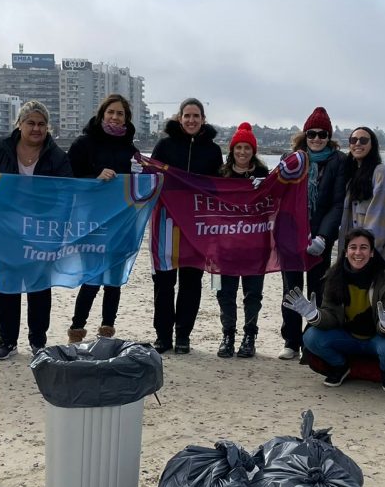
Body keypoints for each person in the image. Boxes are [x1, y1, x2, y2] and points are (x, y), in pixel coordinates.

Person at [0, 100, 73, 359]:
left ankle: (37, 341)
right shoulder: (1, 149)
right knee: (7, 284)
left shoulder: (56, 155)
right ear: (19, 124)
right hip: (5, 230)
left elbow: (67, 194)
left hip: (41, 230)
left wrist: (58, 228)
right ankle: (7, 341)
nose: (36, 128)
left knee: (39, 286)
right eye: (30, 122)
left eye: (42, 124)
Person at [284, 228, 385, 392]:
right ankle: (340, 366)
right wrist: (314, 315)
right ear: (345, 252)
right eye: (353, 247)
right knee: (311, 337)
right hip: (347, 338)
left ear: (372, 253)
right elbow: (331, 317)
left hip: (378, 339)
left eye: (364, 247)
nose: (358, 252)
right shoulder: (334, 278)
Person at [149, 97, 222, 353]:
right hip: (166, 224)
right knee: (164, 282)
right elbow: (149, 178)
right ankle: (163, 336)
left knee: (191, 282)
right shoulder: (165, 145)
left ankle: (183, 335)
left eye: (196, 116)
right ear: (180, 118)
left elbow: (219, 187)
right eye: (187, 115)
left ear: (203, 120)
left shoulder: (212, 150)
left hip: (197, 226)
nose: (191, 120)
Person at [66, 94, 139, 343]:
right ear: (102, 114)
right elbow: (67, 177)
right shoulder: (84, 143)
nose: (115, 117)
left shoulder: (131, 150)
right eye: (111, 112)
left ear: (126, 119)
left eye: (120, 114)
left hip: (121, 223)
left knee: (114, 281)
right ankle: (77, 330)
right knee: (92, 278)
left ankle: (107, 330)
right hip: (91, 222)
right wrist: (94, 177)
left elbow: (141, 183)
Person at [276, 107, 347, 361]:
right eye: (312, 133)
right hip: (290, 236)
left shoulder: (339, 161)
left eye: (323, 134)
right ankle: (291, 341)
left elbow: (338, 203)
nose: (317, 138)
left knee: (318, 288)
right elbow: (277, 192)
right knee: (291, 289)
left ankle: (312, 340)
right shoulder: (291, 158)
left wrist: (324, 237)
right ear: (305, 135)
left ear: (329, 136)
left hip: (320, 237)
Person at [214, 123, 271, 359]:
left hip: (255, 246)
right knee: (224, 293)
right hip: (225, 246)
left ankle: (249, 335)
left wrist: (266, 185)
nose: (243, 152)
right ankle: (228, 334)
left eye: (247, 148)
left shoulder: (264, 176)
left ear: (253, 151)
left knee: (253, 294)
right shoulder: (220, 175)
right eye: (239, 147)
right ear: (232, 149)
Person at [339, 126, 385, 260]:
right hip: (354, 254)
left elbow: (381, 220)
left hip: (372, 255)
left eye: (363, 140)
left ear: (372, 145)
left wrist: (366, 252)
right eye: (353, 140)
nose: (358, 143)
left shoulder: (381, 173)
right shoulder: (352, 174)